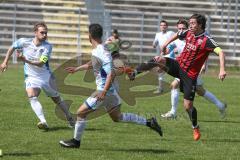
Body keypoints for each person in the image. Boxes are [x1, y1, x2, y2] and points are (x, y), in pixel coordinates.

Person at [59, 24, 163, 148]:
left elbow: (111, 73)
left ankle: (76, 142)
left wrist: (103, 91)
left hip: (104, 91)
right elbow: (93, 64)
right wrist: (77, 69)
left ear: (89, 36)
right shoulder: (100, 50)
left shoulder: (101, 51)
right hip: (111, 92)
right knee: (117, 117)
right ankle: (149, 122)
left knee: (80, 113)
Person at [128, 14, 227, 141]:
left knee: (188, 106)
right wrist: (165, 44)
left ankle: (195, 126)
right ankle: (134, 72)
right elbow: (178, 34)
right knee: (159, 59)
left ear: (200, 25)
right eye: (190, 23)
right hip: (178, 66)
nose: (190, 25)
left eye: (193, 23)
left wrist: (222, 69)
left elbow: (221, 52)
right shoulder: (189, 33)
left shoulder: (207, 40)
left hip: (189, 76)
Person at [0, 22, 75, 131]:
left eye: (46, 33)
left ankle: (70, 118)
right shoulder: (24, 41)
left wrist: (25, 60)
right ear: (35, 32)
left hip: (46, 78)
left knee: (57, 100)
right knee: (31, 95)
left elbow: (41, 63)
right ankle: (43, 121)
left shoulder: (47, 47)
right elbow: (12, 47)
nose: (44, 35)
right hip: (31, 77)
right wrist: (5, 62)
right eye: (42, 32)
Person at [161, 19, 227, 119]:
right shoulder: (177, 42)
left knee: (175, 85)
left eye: (183, 28)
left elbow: (204, 53)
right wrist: (164, 51)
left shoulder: (195, 38)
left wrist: (204, 65)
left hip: (193, 70)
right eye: (179, 29)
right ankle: (220, 105)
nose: (181, 30)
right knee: (199, 90)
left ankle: (173, 112)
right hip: (183, 68)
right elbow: (168, 51)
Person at [153, 20, 175, 94]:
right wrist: (154, 44)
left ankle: (161, 88)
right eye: (162, 25)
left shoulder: (170, 33)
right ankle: (160, 88)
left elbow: (178, 38)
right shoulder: (158, 34)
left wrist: (175, 48)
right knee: (160, 71)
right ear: (160, 26)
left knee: (161, 70)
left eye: (164, 25)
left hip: (170, 55)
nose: (163, 26)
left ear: (167, 26)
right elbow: (155, 43)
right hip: (163, 55)